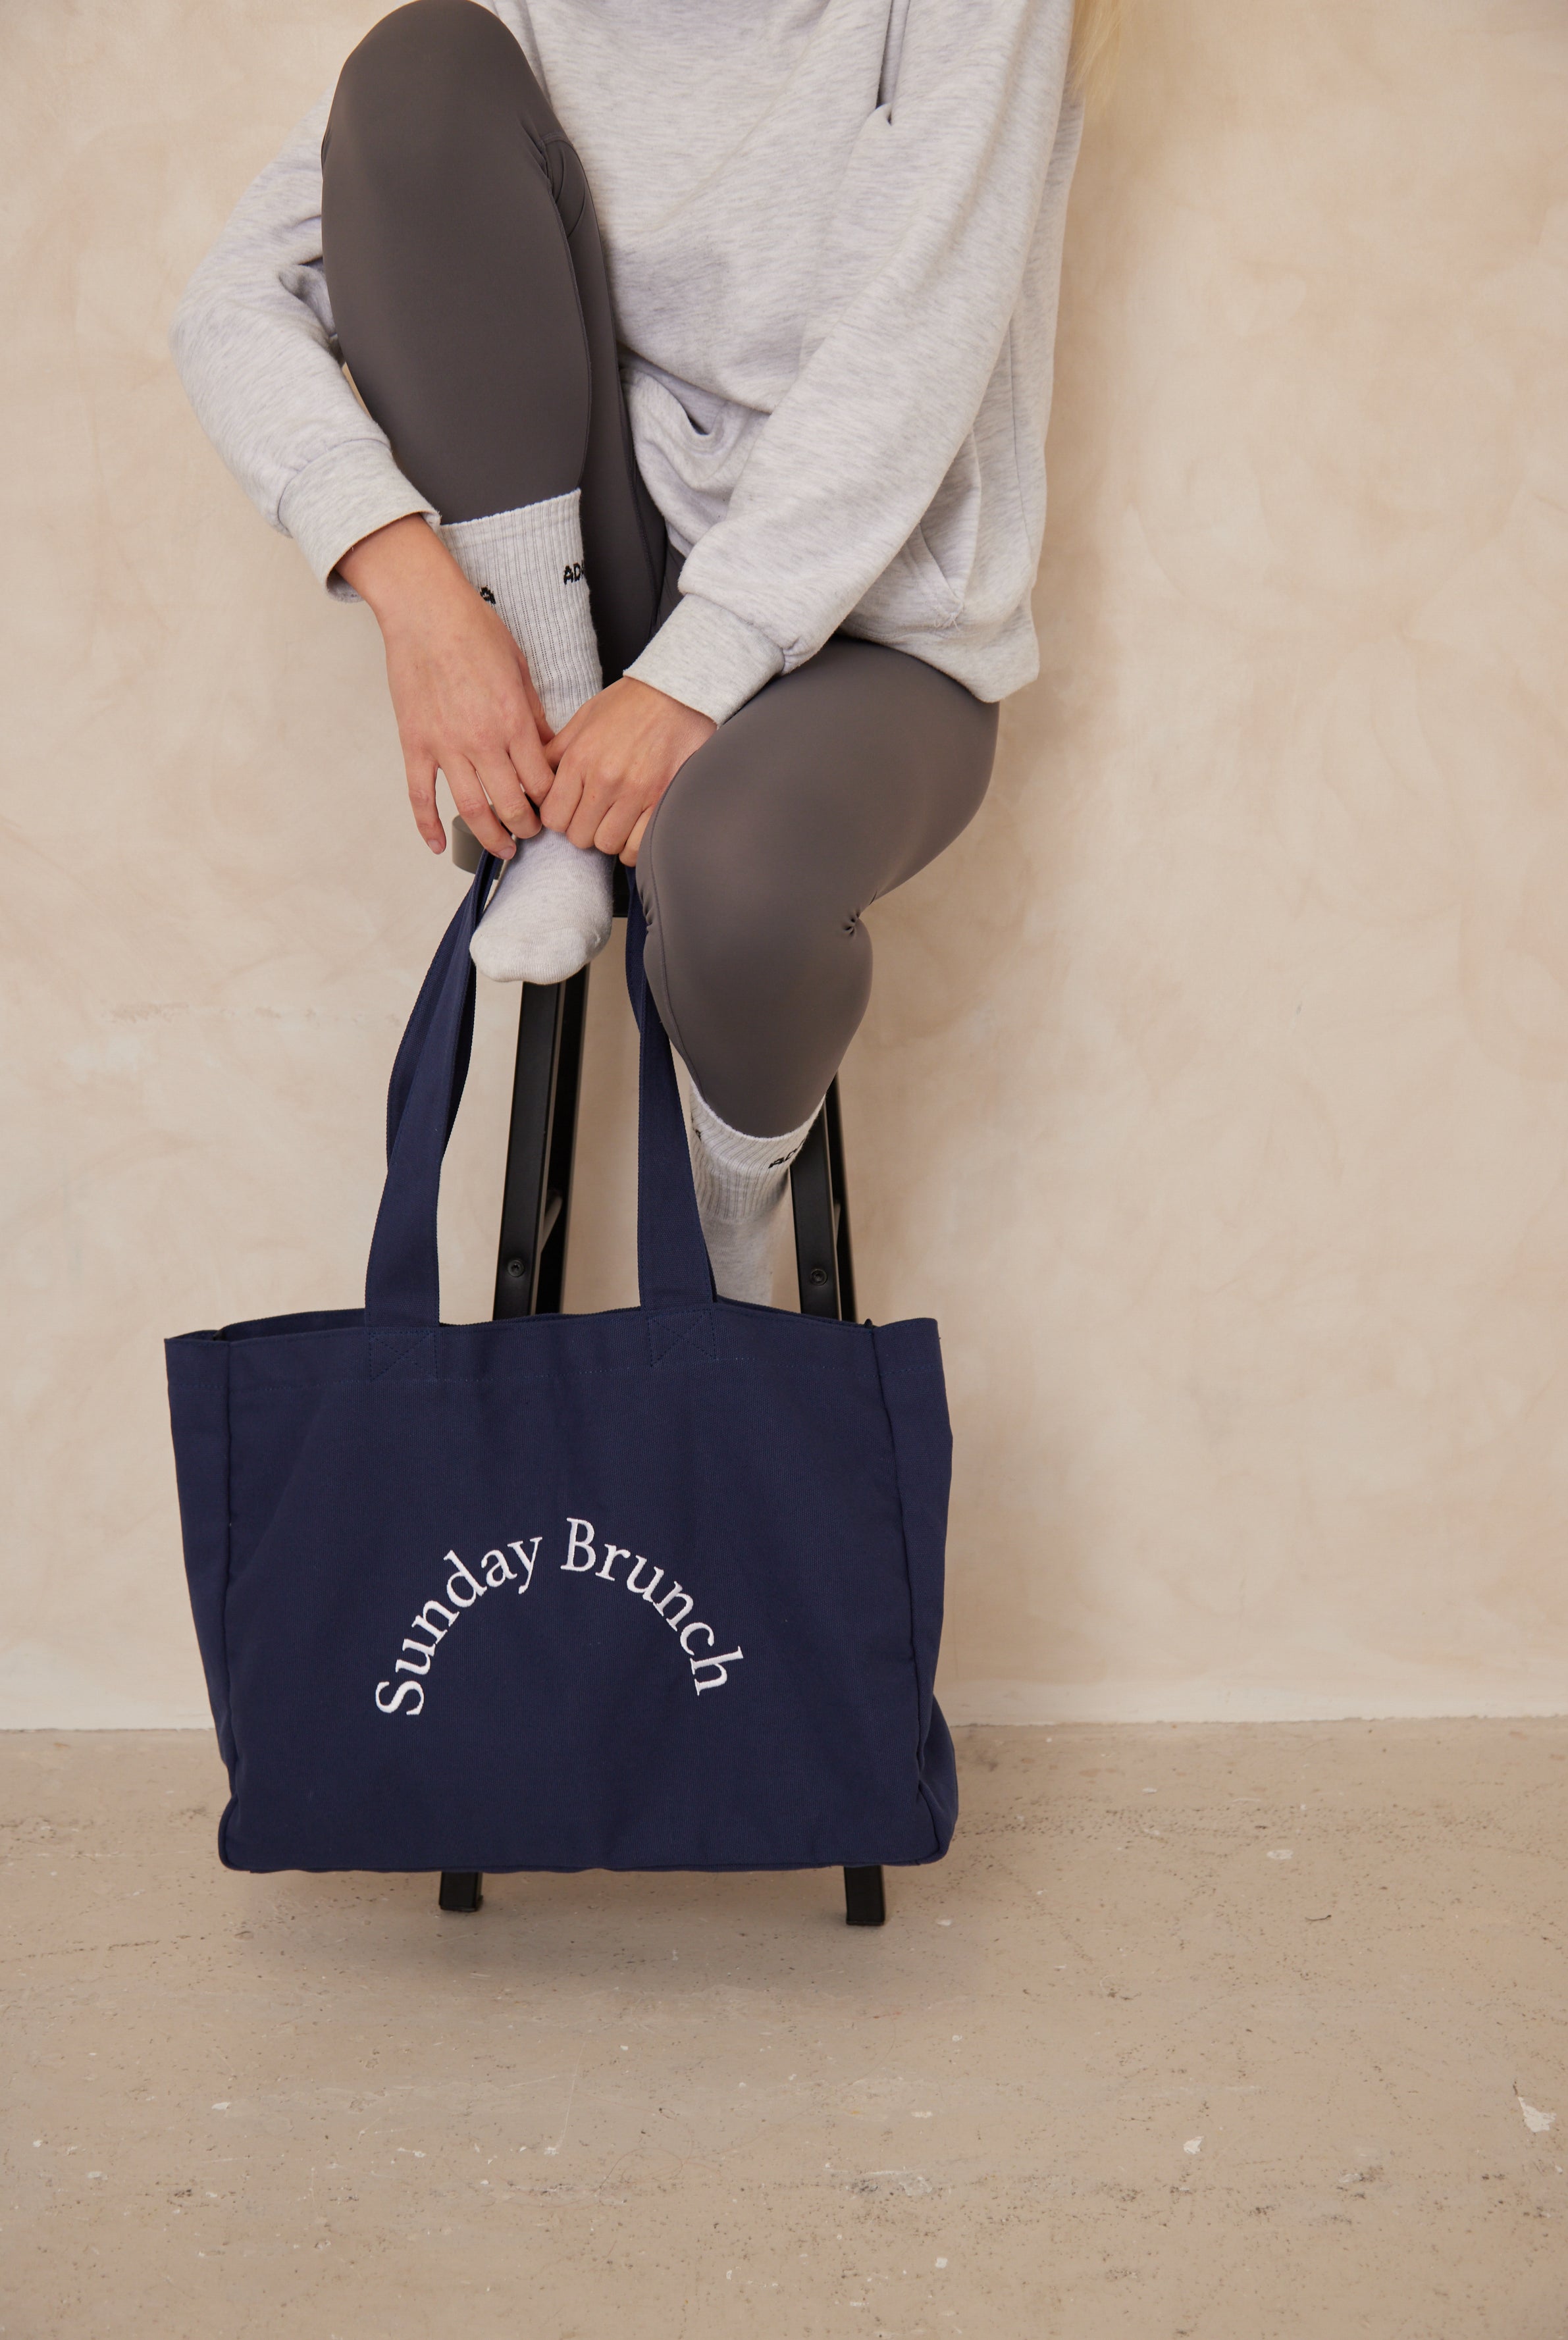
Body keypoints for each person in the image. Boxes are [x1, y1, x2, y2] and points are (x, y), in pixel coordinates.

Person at [170, 0, 1113, 1303]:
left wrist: (694, 672)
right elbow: (230, 305)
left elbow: (913, 346)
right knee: (414, 68)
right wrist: (411, 584)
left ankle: (724, 1251)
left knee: (739, 884)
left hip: (868, 624)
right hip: (581, 589)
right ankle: (559, 813)